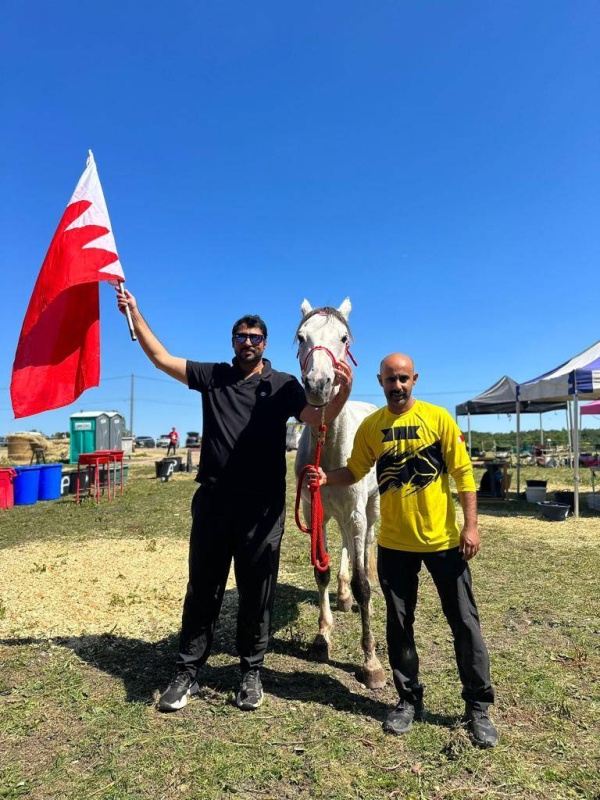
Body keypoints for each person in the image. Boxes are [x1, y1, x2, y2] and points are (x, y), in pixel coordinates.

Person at [116, 287, 353, 713]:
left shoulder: (282, 386)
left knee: (256, 591)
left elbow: (319, 418)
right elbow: (161, 358)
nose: (248, 342)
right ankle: (187, 670)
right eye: (241, 336)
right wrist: (134, 311)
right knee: (203, 588)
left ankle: (250, 671)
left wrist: (342, 394)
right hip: (213, 502)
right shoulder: (214, 376)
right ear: (232, 342)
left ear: (266, 344)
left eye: (255, 337)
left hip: (262, 508)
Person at [308, 353, 498, 748]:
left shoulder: (438, 419)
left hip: (443, 543)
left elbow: (463, 475)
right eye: (390, 380)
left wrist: (472, 525)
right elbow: (355, 472)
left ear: (414, 380)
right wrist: (326, 475)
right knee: (399, 628)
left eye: (403, 379)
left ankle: (478, 708)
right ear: (379, 381)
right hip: (394, 545)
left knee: (464, 624)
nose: (397, 386)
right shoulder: (372, 426)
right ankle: (408, 699)